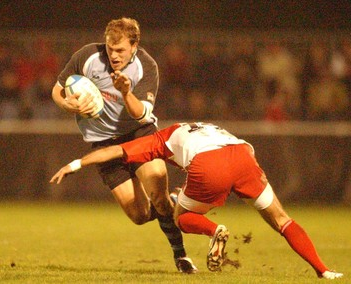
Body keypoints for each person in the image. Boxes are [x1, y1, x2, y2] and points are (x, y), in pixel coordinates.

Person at [50, 122, 343, 279]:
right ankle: (323, 270)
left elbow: (114, 153)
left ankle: (215, 230)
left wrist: (76, 163)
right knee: (282, 220)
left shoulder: (158, 140)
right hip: (242, 155)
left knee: (181, 217)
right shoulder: (198, 125)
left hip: (209, 164)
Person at [51, 17, 197, 273]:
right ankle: (172, 200)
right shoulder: (87, 56)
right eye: (110, 49)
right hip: (103, 144)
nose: (114, 55)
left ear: (134, 46)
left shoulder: (146, 66)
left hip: (139, 135)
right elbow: (57, 88)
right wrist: (66, 104)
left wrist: (126, 91)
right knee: (139, 216)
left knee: (159, 200)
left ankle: (181, 255)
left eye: (120, 50)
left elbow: (141, 115)